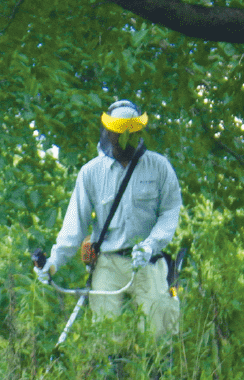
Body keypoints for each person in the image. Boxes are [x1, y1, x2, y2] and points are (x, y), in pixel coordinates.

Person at [36, 99, 182, 342]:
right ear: (108, 133)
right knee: (105, 333)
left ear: (138, 132)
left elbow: (170, 211)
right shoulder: (91, 172)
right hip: (108, 263)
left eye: (130, 132)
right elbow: (75, 224)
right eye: (118, 132)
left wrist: (151, 244)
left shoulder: (159, 167)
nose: (124, 138)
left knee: (159, 330)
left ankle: (159, 376)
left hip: (147, 261)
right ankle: (111, 376)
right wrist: (53, 263)